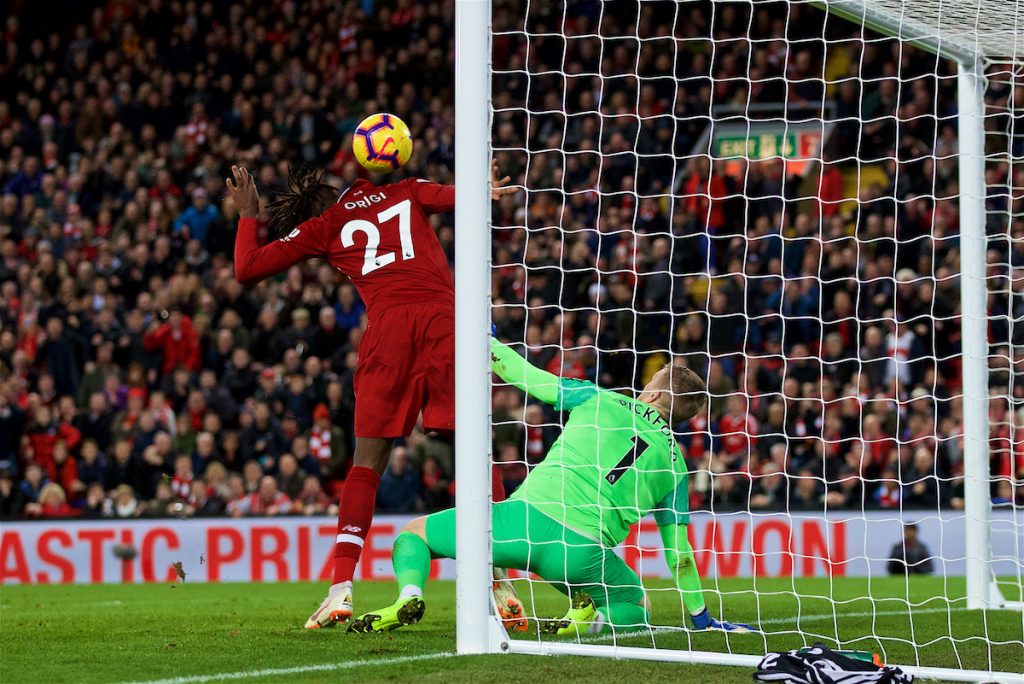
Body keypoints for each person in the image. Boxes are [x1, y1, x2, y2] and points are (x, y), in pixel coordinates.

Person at [226, 162, 515, 628]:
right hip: (447, 324)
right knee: (476, 452)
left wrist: (248, 214)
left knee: (366, 466)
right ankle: (498, 577)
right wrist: (485, 186)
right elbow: (458, 195)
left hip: (388, 334)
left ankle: (341, 588)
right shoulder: (405, 189)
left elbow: (247, 270)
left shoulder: (324, 227)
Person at [350, 336, 757, 635]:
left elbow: (525, 376)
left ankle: (407, 595)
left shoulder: (600, 399)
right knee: (635, 602)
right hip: (580, 556)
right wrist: (701, 619)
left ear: (651, 388)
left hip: (522, 524)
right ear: (682, 417)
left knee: (413, 535)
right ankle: (590, 619)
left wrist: (480, 337)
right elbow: (680, 556)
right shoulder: (676, 469)